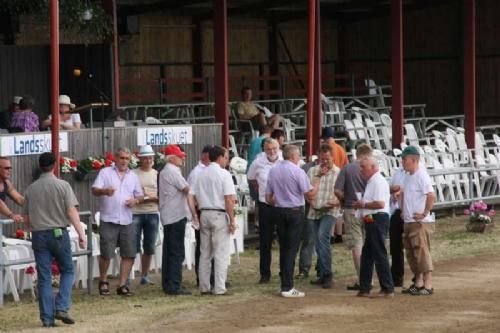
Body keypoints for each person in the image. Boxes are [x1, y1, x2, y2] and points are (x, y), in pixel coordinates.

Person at [22, 152, 86, 327]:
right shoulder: (63, 185)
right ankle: (62, 306)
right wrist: (81, 233)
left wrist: (31, 231)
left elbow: (26, 219)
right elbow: (72, 211)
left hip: (39, 234)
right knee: (67, 270)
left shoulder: (30, 189)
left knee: (44, 277)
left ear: (40, 166)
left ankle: (47, 318)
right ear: (55, 165)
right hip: (58, 233)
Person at [92, 147, 144, 296]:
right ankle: (103, 281)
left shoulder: (133, 176)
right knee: (106, 253)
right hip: (109, 218)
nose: (124, 161)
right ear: (115, 158)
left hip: (126, 219)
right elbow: (94, 190)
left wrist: (135, 200)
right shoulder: (105, 172)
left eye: (127, 159)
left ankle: (122, 285)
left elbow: (140, 196)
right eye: (121, 158)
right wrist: (104, 191)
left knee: (129, 253)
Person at [265, 144, 315, 298]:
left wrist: (280, 203)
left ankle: (284, 284)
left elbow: (268, 197)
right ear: (294, 156)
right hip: (294, 211)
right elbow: (310, 194)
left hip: (280, 210)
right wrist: (318, 181)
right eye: (298, 155)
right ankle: (288, 285)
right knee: (291, 249)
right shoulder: (298, 171)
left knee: (284, 248)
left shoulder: (273, 171)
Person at [189, 146, 236, 295]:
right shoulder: (224, 174)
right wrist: (232, 220)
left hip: (204, 212)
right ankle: (220, 287)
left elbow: (192, 196)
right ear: (220, 157)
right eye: (226, 157)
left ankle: (204, 286)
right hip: (219, 213)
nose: (226, 161)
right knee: (220, 253)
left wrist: (194, 214)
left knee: (205, 253)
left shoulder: (200, 174)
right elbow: (228, 199)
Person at [353, 156, 394, 297]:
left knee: (378, 253)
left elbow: (380, 204)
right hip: (372, 218)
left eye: (363, 167)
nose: (361, 170)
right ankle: (365, 287)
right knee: (368, 254)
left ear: (373, 167)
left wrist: (363, 204)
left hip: (377, 218)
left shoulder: (378, 181)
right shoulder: (372, 181)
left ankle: (387, 287)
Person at [160, 144, 197, 295]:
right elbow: (187, 189)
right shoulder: (171, 171)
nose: (182, 159)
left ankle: (169, 283)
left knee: (170, 251)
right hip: (175, 215)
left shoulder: (167, 171)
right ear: (172, 158)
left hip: (171, 214)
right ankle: (174, 284)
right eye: (180, 156)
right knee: (176, 252)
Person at [334, 143, 373, 291]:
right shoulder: (372, 167)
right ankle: (369, 277)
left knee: (357, 245)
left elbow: (337, 190)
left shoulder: (348, 168)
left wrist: (344, 200)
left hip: (351, 209)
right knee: (369, 243)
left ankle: (362, 279)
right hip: (369, 209)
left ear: (356, 154)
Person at [400, 146, 436, 296]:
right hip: (408, 221)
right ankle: (418, 282)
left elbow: (431, 195)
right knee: (411, 253)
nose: (402, 162)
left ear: (414, 160)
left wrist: (425, 212)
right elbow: (403, 194)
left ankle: (428, 284)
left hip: (420, 222)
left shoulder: (422, 176)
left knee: (421, 252)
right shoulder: (407, 176)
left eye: (404, 159)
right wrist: (402, 210)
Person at [247, 138, 282, 284]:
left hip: (281, 205)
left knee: (284, 240)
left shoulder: (284, 158)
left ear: (278, 148)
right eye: (269, 149)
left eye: (274, 148)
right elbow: (252, 178)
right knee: (265, 241)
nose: (272, 152)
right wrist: (262, 191)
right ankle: (265, 274)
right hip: (265, 205)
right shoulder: (258, 162)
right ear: (264, 150)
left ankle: (284, 272)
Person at [306, 144, 341, 289]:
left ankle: (327, 274)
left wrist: (337, 202)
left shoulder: (338, 173)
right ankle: (322, 271)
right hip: (314, 210)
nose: (325, 161)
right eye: (322, 159)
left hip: (330, 210)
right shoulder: (312, 171)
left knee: (322, 237)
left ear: (332, 157)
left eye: (327, 159)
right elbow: (306, 190)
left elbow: (343, 192)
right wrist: (310, 201)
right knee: (318, 242)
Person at [132, 145, 159, 286]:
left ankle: (144, 274)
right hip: (136, 213)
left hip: (152, 212)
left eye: (150, 157)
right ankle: (129, 275)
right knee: (133, 246)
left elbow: (162, 196)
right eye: (145, 158)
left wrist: (150, 198)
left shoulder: (157, 174)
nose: (148, 160)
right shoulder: (133, 174)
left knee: (149, 245)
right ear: (140, 159)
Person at [187, 144, 212, 286]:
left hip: (206, 208)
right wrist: (195, 214)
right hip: (201, 209)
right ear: (205, 156)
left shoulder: (209, 170)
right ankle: (201, 277)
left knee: (209, 246)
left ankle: (209, 276)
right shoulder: (197, 172)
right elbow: (191, 195)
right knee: (203, 246)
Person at [320, 127, 348, 243]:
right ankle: (339, 233)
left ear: (326, 138)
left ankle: (330, 235)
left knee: (330, 207)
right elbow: (346, 164)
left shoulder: (327, 150)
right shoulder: (341, 148)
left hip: (330, 178)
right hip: (340, 178)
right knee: (339, 208)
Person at [389, 166, 407, 287]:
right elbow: (389, 188)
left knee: (412, 246)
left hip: (409, 213)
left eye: (405, 159)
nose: (403, 161)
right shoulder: (397, 173)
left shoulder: (419, 172)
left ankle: (418, 277)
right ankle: (396, 277)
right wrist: (393, 191)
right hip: (396, 211)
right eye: (402, 159)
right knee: (395, 246)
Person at [0, 156, 25, 222]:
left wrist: (35, 206)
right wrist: (12, 215)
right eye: (6, 168)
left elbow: (19, 199)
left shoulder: (6, 183)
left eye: (10, 168)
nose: (9, 170)